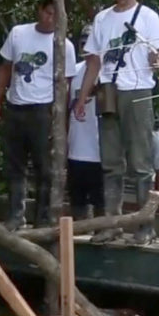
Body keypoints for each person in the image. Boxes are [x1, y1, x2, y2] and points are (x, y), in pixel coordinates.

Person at [74, 0, 159, 245]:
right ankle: (111, 224)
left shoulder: (148, 17)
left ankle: (145, 226)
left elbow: (156, 54)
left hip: (137, 90)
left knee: (140, 163)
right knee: (110, 161)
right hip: (108, 89)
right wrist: (82, 97)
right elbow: (94, 60)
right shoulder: (103, 19)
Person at [0, 0, 77, 230]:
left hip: (43, 109)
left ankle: (43, 217)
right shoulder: (19, 33)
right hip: (16, 105)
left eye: (56, 16)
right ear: (39, 10)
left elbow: (65, 85)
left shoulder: (64, 45)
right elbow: (5, 68)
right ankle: (16, 214)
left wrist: (62, 118)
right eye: (48, 13)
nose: (51, 19)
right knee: (14, 164)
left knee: (44, 167)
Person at [68, 25, 104, 220]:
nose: (85, 46)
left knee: (101, 202)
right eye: (83, 41)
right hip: (75, 149)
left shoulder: (108, 72)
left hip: (100, 151)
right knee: (77, 202)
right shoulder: (73, 71)